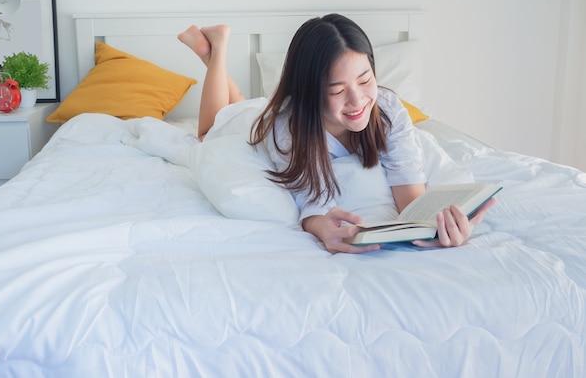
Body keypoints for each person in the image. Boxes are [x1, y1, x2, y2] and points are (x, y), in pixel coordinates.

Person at [178, 15, 496, 254]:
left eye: (365, 79)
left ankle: (212, 56)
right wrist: (320, 228)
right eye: (337, 90)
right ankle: (216, 51)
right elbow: (313, 206)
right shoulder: (288, 129)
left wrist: (437, 229)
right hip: (257, 126)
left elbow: (410, 201)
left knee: (243, 105)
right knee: (212, 130)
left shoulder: (387, 109)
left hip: (277, 111)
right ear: (310, 92)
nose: (358, 101)